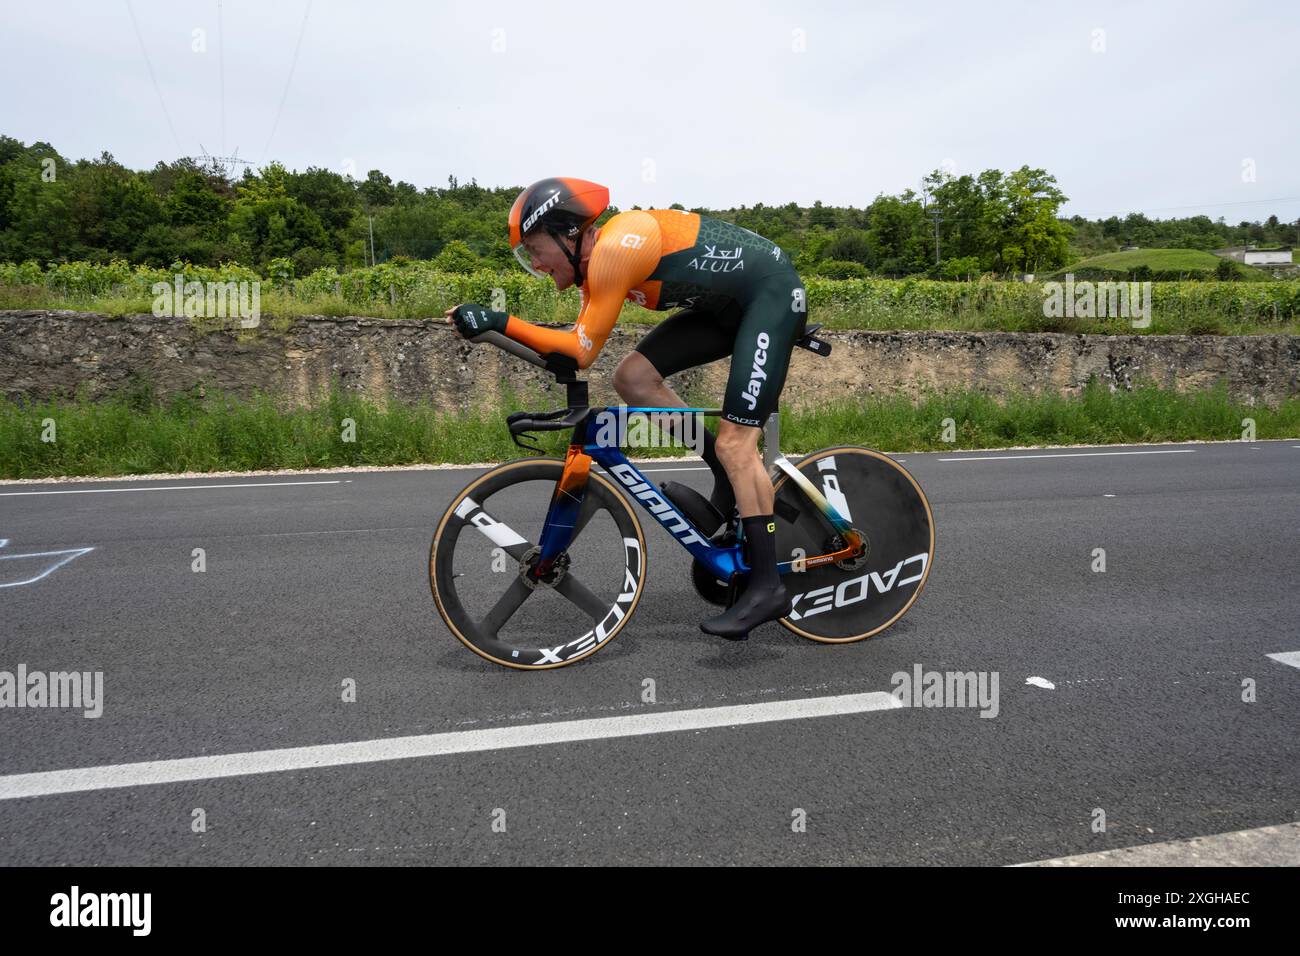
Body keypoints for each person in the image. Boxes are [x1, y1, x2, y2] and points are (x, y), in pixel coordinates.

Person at [445, 177, 808, 639]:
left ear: (569, 235)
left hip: (769, 295)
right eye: (527, 256)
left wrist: (500, 320)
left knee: (741, 446)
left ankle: (767, 586)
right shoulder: (594, 271)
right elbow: (565, 353)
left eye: (536, 249)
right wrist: (493, 334)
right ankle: (720, 466)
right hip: (727, 308)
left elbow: (580, 351)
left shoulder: (616, 248)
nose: (534, 263)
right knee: (632, 379)